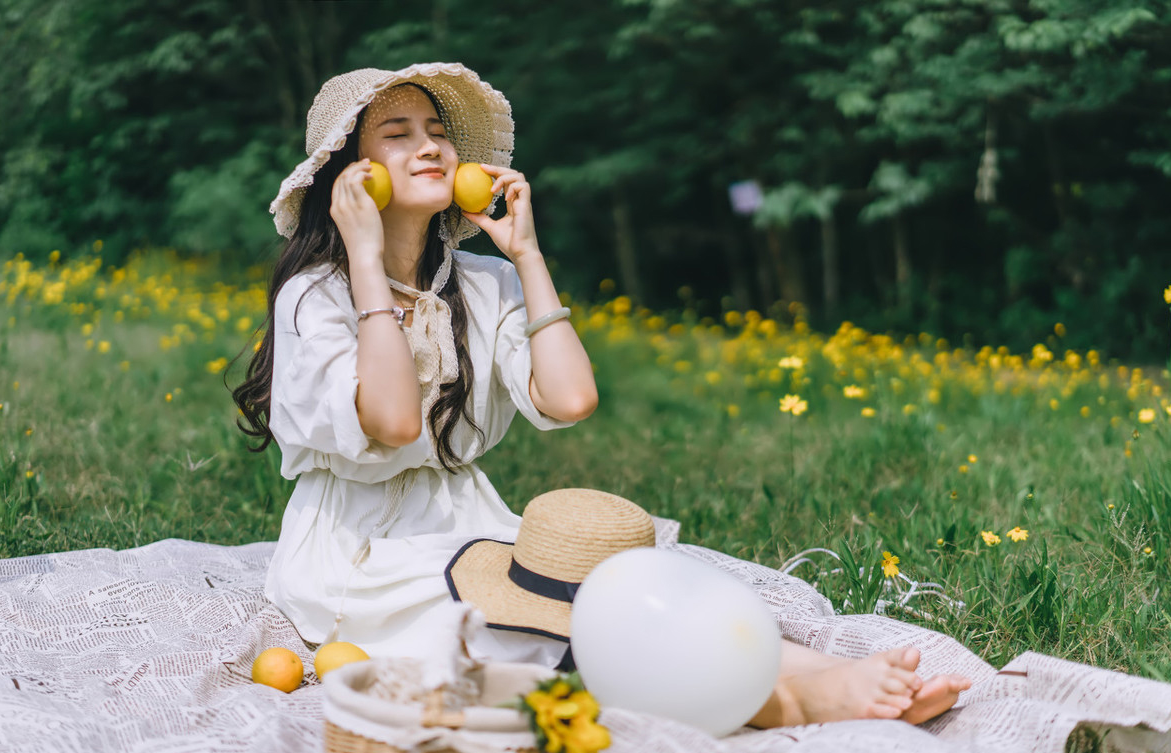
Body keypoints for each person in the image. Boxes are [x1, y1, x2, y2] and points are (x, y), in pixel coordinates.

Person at [232, 62, 970, 728]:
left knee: (611, 588)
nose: (430, 147)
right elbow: (393, 422)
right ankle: (791, 700)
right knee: (556, 625)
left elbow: (571, 398)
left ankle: (821, 673)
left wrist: (526, 254)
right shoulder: (316, 295)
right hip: (362, 553)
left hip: (464, 523)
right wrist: (364, 254)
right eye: (398, 134)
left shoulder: (483, 283)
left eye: (438, 132)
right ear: (348, 176)